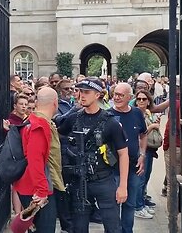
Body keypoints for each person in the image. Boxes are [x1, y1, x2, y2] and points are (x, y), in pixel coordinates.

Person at [57, 79, 129, 233]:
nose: (82, 96)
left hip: (103, 180)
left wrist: (122, 186)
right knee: (79, 227)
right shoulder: (73, 118)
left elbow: (123, 154)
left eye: (86, 92)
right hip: (79, 181)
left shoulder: (110, 122)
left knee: (113, 226)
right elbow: (55, 134)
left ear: (97, 95)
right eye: (80, 91)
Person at [13, 87, 64, 233]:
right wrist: (42, 192)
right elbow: (35, 160)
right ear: (55, 103)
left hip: (31, 185)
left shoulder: (31, 119)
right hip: (36, 189)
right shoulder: (40, 125)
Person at [110, 83, 147, 233]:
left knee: (130, 204)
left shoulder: (137, 113)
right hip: (113, 169)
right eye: (115, 94)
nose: (117, 97)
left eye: (121, 95)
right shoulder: (108, 115)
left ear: (129, 97)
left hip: (133, 166)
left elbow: (143, 134)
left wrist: (142, 155)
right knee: (113, 205)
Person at [133, 90, 160, 219]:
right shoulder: (135, 114)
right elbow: (140, 133)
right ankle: (138, 206)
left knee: (146, 177)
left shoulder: (148, 113)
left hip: (149, 149)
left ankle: (142, 203)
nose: (141, 101)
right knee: (140, 178)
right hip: (140, 150)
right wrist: (153, 126)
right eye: (139, 99)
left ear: (149, 101)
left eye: (144, 99)